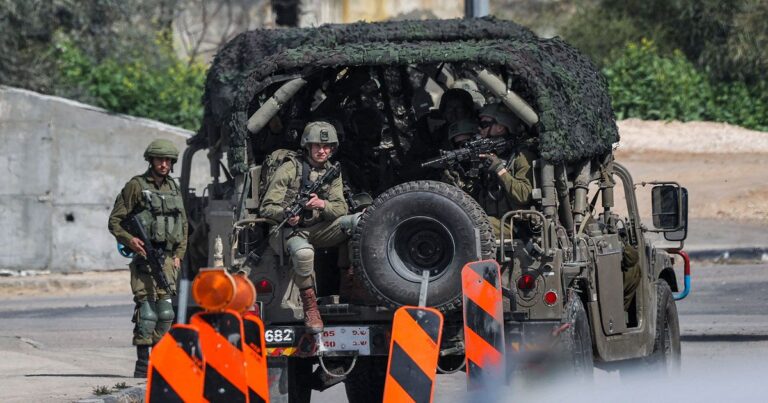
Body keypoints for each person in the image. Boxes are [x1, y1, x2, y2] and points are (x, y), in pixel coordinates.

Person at [259, 121, 358, 334]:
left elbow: (341, 208)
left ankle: (349, 287)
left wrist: (321, 205)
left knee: (358, 223)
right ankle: (310, 307)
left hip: (317, 229)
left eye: (326, 147)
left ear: (332, 148)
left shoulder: (332, 172)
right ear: (308, 146)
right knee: (303, 253)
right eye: (316, 146)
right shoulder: (290, 168)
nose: (322, 151)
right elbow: (267, 208)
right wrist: (286, 214)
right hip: (289, 231)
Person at [107, 139, 188, 378]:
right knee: (148, 313)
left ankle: (160, 364)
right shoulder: (136, 186)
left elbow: (183, 225)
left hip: (168, 259)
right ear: (150, 160)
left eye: (167, 161)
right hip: (144, 256)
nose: (163, 164)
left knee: (166, 314)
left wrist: (179, 255)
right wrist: (130, 240)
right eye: (159, 160)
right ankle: (143, 366)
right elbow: (115, 221)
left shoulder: (173, 187)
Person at [475, 103, 536, 238]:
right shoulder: (489, 154)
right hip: (492, 220)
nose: (480, 128)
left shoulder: (521, 156)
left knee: (473, 226)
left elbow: (523, 194)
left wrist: (500, 170)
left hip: (514, 225)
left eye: (484, 124)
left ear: (500, 127)